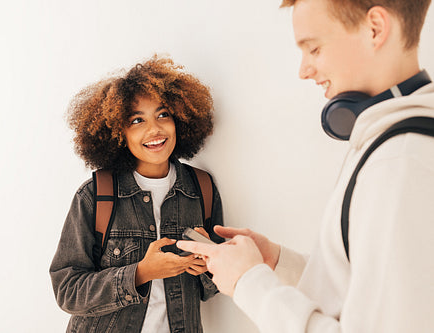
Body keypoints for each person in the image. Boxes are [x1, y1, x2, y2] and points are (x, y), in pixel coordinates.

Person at [177, 0, 434, 332]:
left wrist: (249, 282)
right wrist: (279, 263)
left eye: (314, 48)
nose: (304, 70)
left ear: (375, 28)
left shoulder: (400, 163)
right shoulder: (394, 142)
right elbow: (367, 294)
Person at [50, 55, 224, 333]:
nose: (154, 129)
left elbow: (213, 287)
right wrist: (141, 273)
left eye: (163, 114)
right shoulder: (96, 195)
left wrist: (208, 267)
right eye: (137, 120)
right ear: (119, 132)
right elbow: (68, 290)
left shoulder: (201, 189)